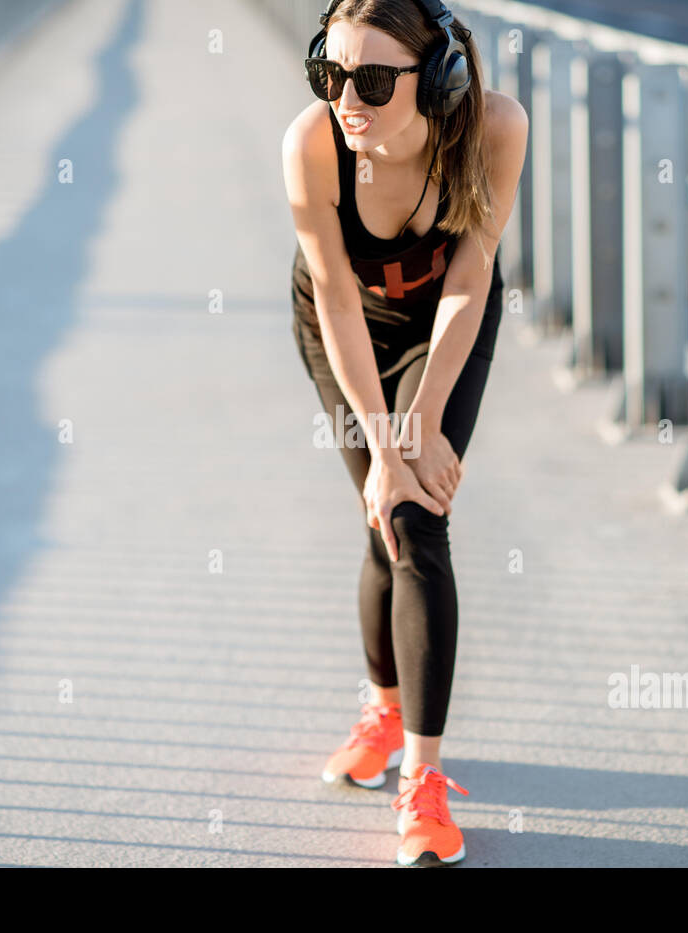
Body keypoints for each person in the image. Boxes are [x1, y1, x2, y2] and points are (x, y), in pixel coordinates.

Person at [281, 0, 527, 867]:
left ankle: (421, 777)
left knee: (418, 518)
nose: (348, 97)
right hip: (342, 325)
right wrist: (386, 446)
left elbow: (473, 270)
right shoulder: (312, 144)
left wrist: (420, 428)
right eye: (330, 70)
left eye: (375, 80)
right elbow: (339, 297)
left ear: (441, 80)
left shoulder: (495, 126)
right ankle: (383, 709)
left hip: (446, 319)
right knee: (383, 514)